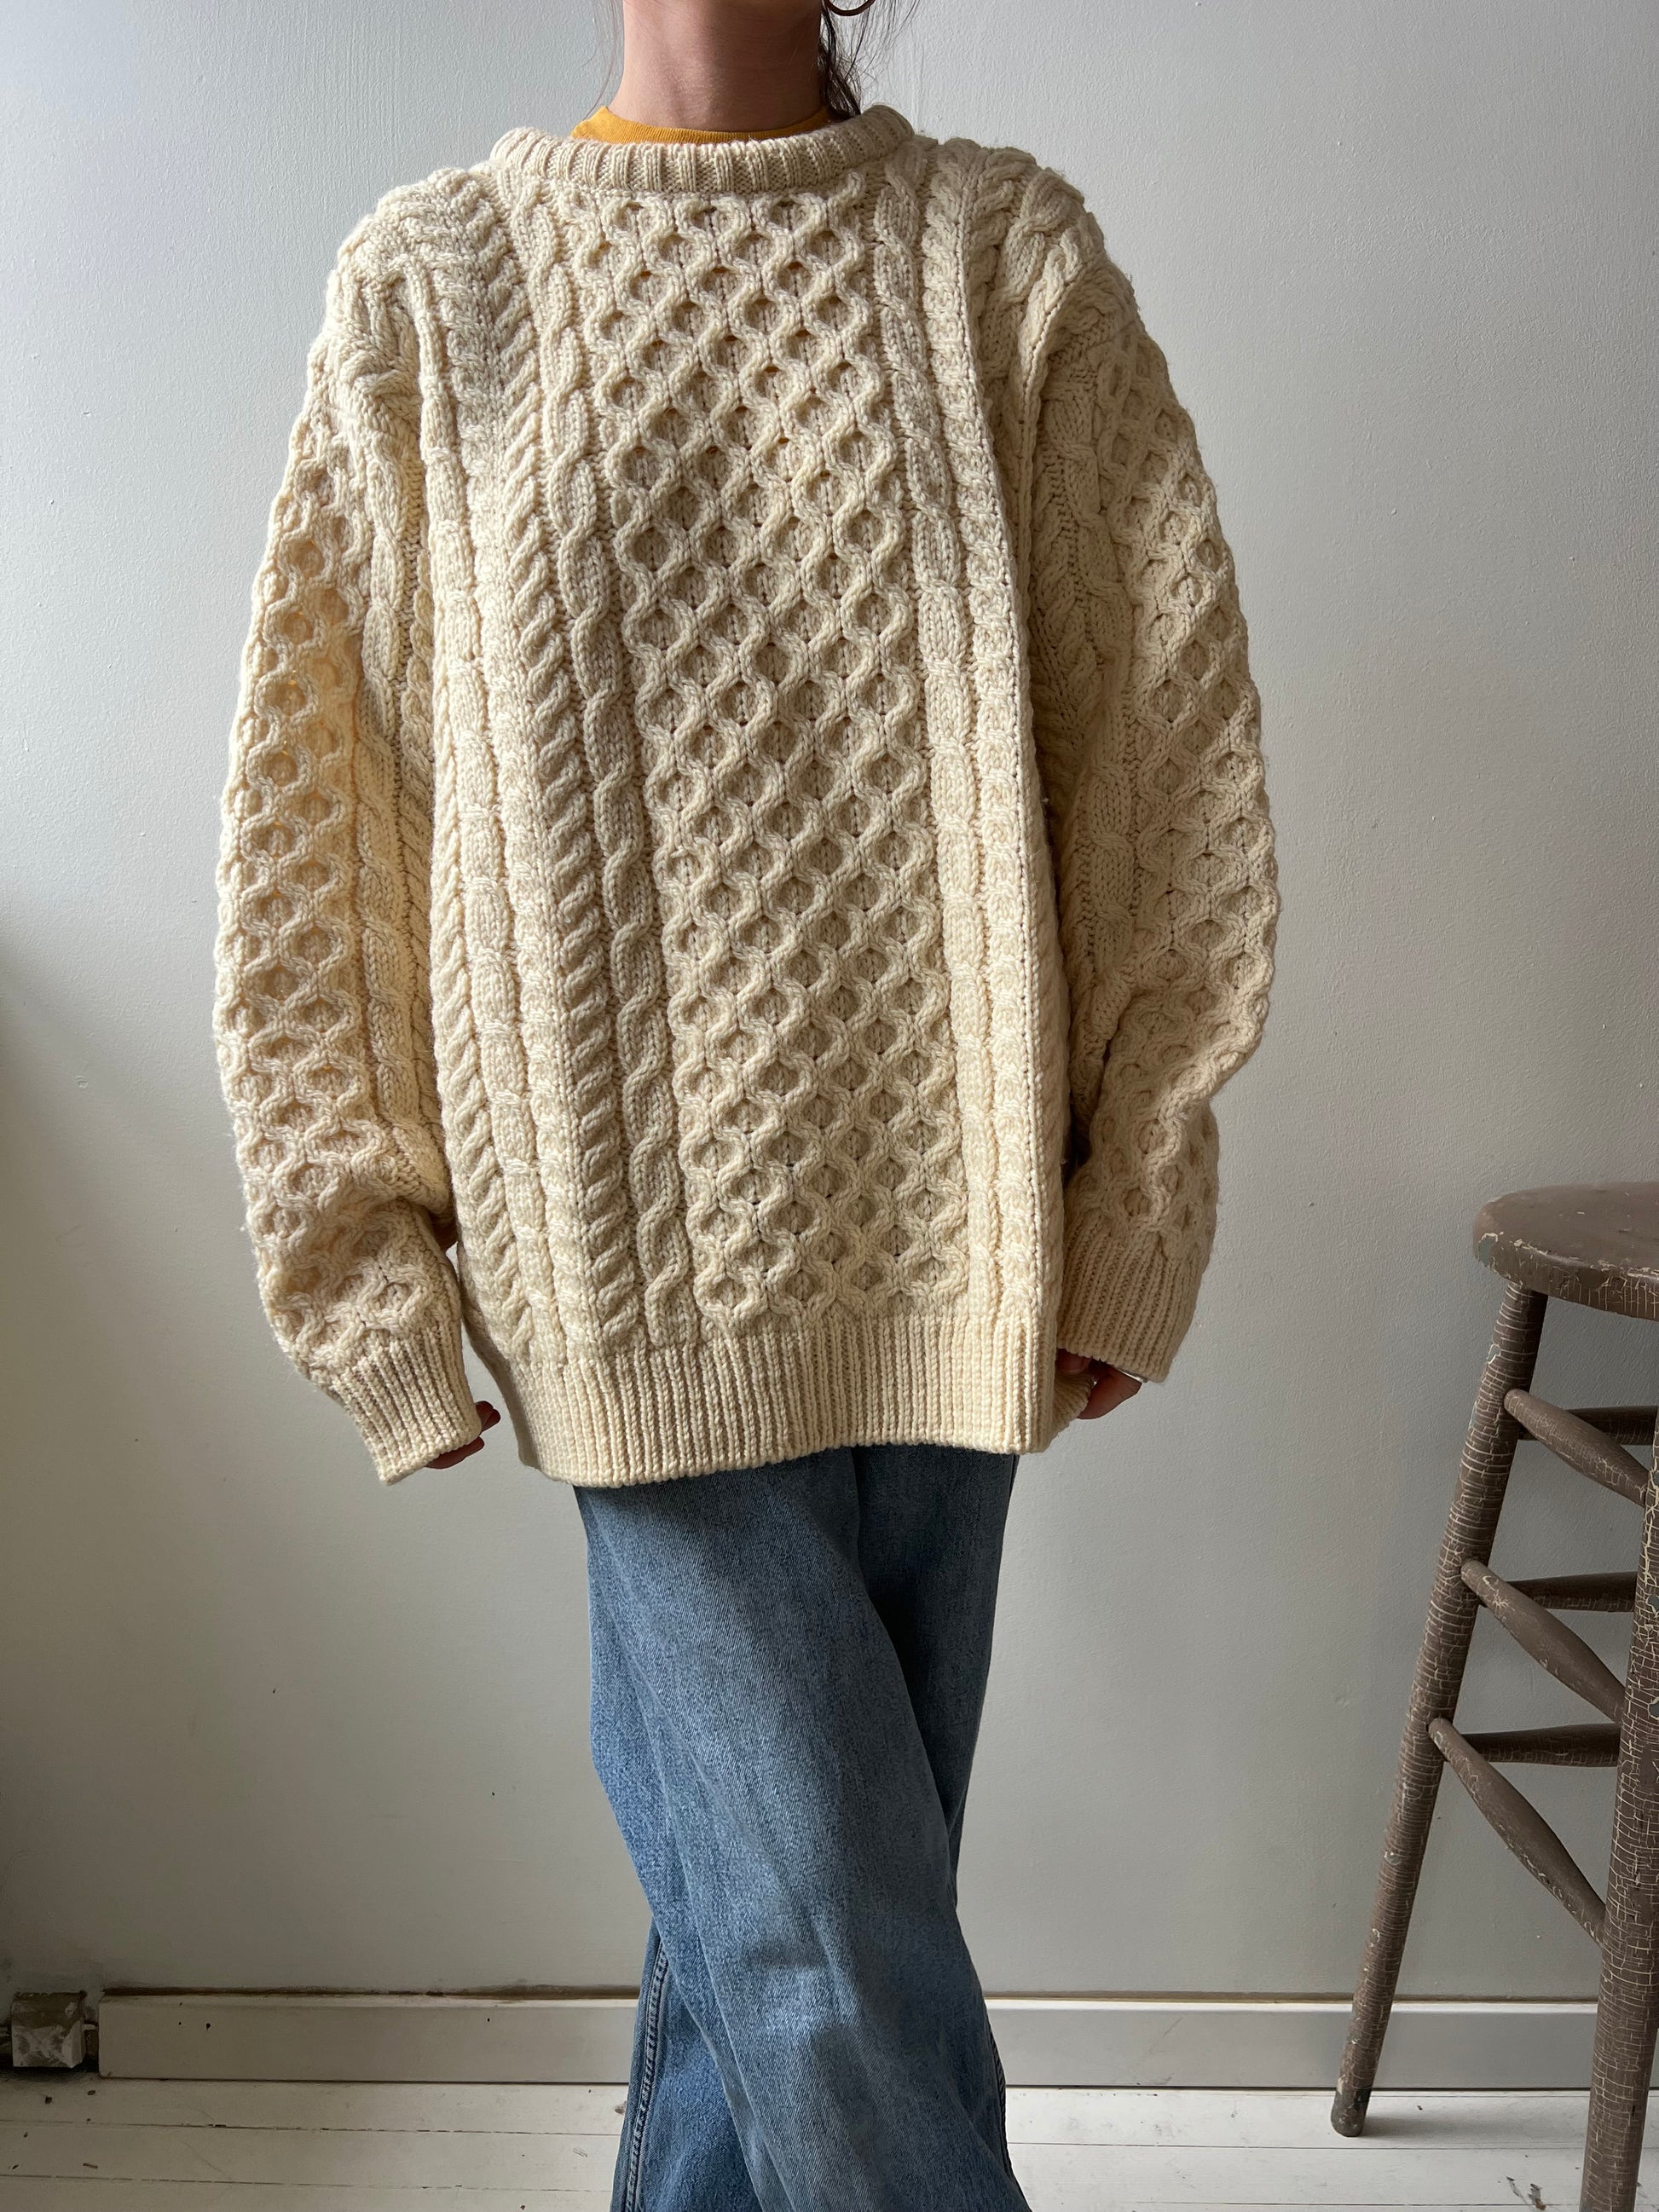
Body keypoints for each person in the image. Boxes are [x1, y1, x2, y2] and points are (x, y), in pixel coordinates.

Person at [211, 0, 1278, 2203]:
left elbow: (1163, 756)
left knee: (778, 1950)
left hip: (962, 1242)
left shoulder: (1002, 266)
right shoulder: (435, 291)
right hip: (623, 1271)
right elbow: (331, 815)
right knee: (825, 1964)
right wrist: (359, 1265)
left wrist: (1137, 1195)